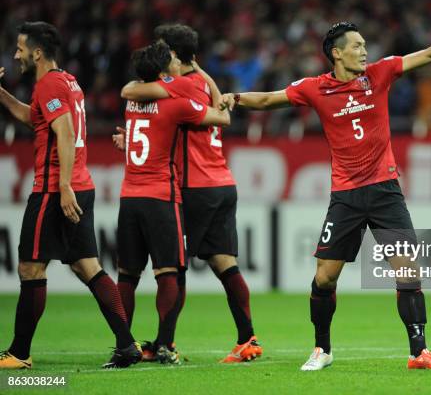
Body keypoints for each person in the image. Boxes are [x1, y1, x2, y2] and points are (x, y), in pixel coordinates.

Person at [221, 21, 431, 371]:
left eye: (365, 45)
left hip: (385, 192)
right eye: (357, 45)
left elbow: (425, 55)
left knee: (408, 272)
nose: (365, 51)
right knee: (324, 278)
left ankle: (419, 352)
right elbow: (271, 100)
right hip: (346, 196)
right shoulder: (315, 88)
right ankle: (322, 349)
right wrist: (236, 98)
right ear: (337, 53)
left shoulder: (379, 74)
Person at [114, 24, 262, 363]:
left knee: (172, 268)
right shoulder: (202, 83)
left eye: (163, 48)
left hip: (193, 185)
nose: (158, 53)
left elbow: (129, 91)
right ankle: (247, 339)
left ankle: (165, 343)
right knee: (225, 263)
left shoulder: (171, 86)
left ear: (174, 56)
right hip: (222, 180)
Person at [0, 21, 141, 369]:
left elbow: (63, 132)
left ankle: (19, 353)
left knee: (30, 267)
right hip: (81, 184)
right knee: (87, 266)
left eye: (20, 49)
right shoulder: (67, 81)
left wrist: (62, 186)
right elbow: (34, 119)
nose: (16, 55)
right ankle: (126, 345)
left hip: (54, 188)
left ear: (36, 52)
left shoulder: (48, 84)